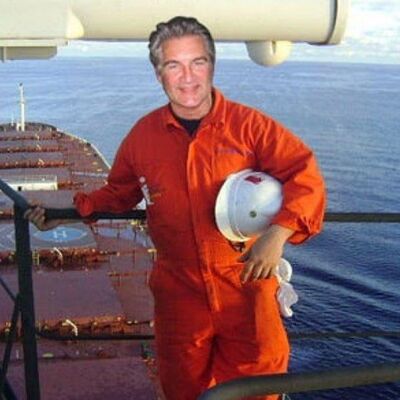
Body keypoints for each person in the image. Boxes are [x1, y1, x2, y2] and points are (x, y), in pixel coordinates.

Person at [25, 16, 326, 400]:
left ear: (211, 66)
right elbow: (118, 193)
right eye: (173, 65)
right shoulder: (143, 137)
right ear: (159, 74)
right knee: (181, 385)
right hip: (178, 292)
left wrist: (277, 235)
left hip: (246, 283)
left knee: (260, 382)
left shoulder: (251, 128)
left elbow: (305, 175)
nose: (187, 77)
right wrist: (65, 212)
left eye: (197, 62)